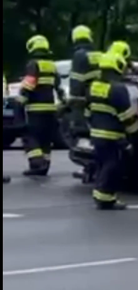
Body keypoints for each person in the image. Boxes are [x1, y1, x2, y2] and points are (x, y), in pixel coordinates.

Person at [88, 52, 138, 210]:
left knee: (103, 164)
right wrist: (136, 134)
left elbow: (88, 110)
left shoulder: (93, 86)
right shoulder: (118, 89)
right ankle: (104, 197)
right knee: (114, 165)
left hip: (96, 133)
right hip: (113, 135)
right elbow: (127, 117)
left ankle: (104, 195)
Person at [15, 35, 64, 177]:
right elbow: (58, 88)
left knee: (29, 136)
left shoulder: (33, 64)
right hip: (50, 109)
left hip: (35, 109)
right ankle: (44, 165)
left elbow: (28, 85)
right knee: (45, 140)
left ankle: (37, 162)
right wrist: (64, 104)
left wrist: (20, 102)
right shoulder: (52, 65)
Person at [66, 25, 102, 140]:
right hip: (101, 96)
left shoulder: (79, 55)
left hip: (86, 97)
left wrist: (73, 99)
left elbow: (76, 80)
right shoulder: (99, 54)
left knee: (81, 130)